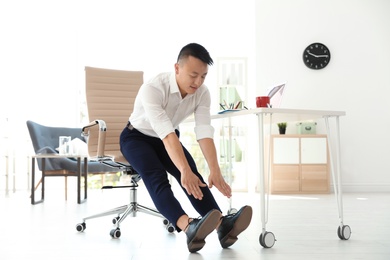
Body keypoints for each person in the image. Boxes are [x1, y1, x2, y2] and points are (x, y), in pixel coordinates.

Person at [120, 43, 252, 253]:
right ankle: (188, 227)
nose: (198, 82)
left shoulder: (202, 93)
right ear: (177, 68)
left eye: (203, 76)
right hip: (137, 138)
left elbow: (204, 132)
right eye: (193, 75)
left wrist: (215, 170)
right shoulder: (153, 88)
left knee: (194, 176)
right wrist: (183, 170)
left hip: (168, 138)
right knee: (157, 176)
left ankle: (222, 226)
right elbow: (166, 133)